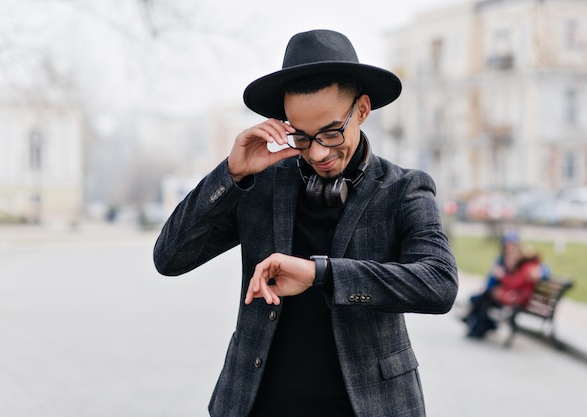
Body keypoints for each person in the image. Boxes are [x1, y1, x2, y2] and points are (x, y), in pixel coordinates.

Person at [153, 29, 458, 417]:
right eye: (301, 136)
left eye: (331, 132)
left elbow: (439, 284)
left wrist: (322, 273)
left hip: (369, 408)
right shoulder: (260, 183)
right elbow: (169, 257)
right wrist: (231, 174)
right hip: (256, 405)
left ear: (362, 110)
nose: (317, 152)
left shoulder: (404, 189)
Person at [463, 231, 547, 339]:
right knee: (485, 298)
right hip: (511, 294)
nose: (509, 252)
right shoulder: (503, 260)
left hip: (518, 298)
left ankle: (476, 325)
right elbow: (497, 280)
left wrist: (502, 277)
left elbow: (517, 283)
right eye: (507, 247)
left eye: (512, 248)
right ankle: (479, 326)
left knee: (485, 299)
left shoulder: (528, 267)